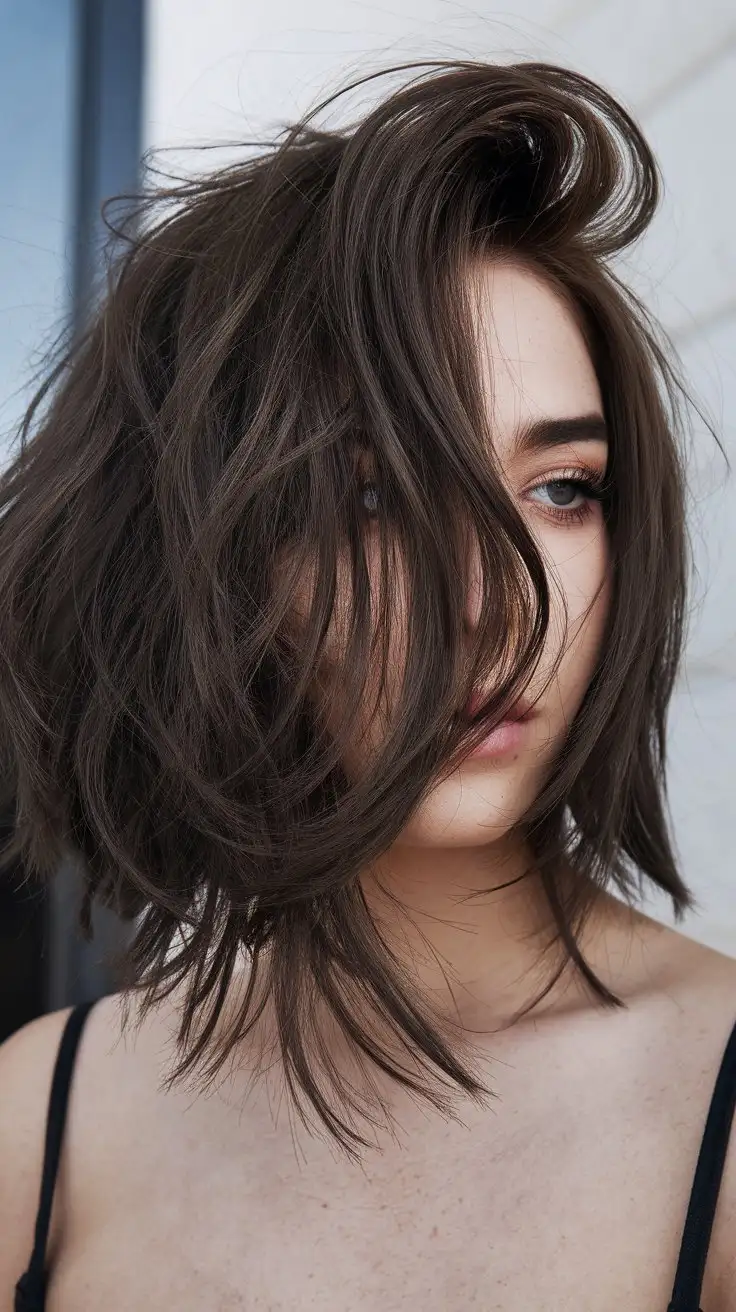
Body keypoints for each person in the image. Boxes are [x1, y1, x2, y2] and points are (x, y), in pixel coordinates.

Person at [0, 57, 734, 1311]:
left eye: (561, 489)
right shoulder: (43, 1121)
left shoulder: (714, 1103)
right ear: (205, 567)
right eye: (371, 499)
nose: (489, 603)